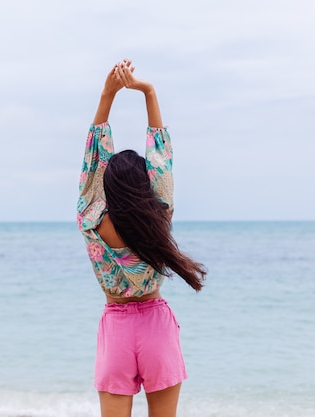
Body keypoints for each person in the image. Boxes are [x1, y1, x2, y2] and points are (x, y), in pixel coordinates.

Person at [77, 59, 207, 417]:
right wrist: (148, 91)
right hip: (156, 328)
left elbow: (93, 161)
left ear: (106, 187)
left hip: (116, 328)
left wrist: (108, 94)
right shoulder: (158, 214)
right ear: (146, 186)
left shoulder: (92, 219)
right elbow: (161, 158)